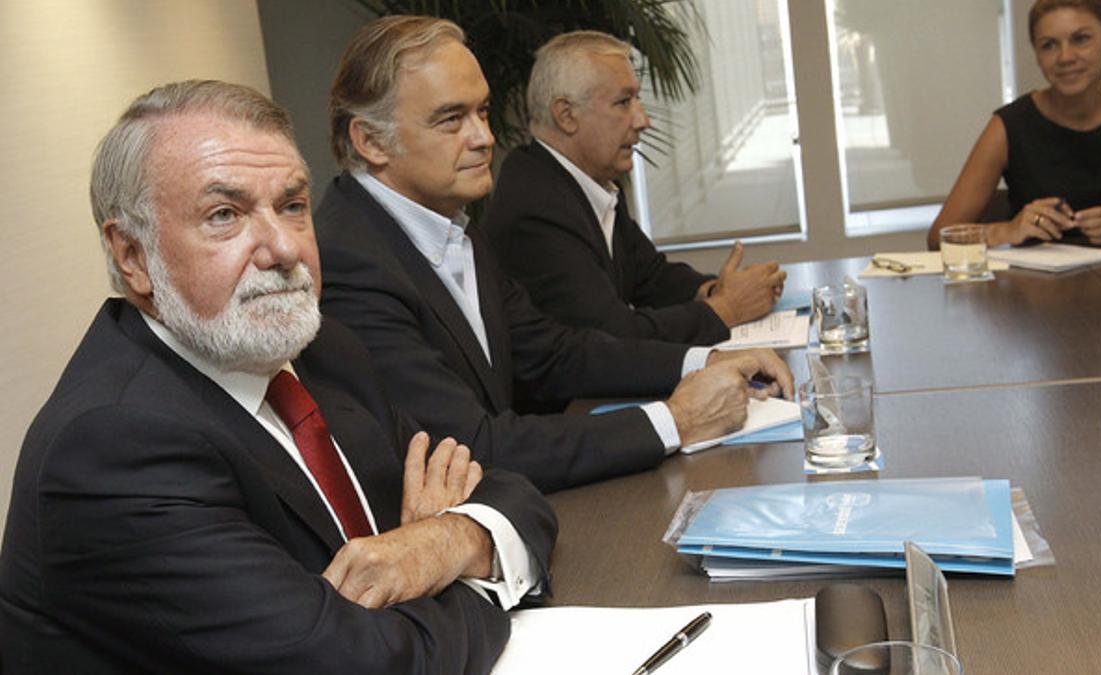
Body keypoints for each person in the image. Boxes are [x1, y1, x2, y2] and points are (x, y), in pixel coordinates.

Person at [0, 80, 556, 674]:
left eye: (292, 206)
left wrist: (447, 541)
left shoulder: (322, 351)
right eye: (225, 215)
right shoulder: (112, 445)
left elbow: (505, 488)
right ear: (133, 254)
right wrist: (464, 576)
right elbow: (357, 664)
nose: (284, 248)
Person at [316, 16, 794, 493]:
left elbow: (554, 355)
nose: (484, 137)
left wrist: (702, 361)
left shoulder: (451, 224)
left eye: (482, 112)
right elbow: (470, 449)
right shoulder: (349, 261)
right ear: (371, 141)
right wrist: (675, 420)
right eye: (451, 119)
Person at [485, 30, 787, 345]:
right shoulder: (535, 207)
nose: (643, 119)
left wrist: (716, 291)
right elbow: (613, 336)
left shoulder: (590, 181)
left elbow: (650, 277)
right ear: (566, 115)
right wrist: (726, 308)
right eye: (623, 102)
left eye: (637, 100)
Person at [926, 0, 1101, 250]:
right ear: (1036, 52)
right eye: (1049, 45)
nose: (1065, 57)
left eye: (1081, 39)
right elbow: (939, 237)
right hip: (1034, 293)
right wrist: (1007, 230)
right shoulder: (1008, 125)